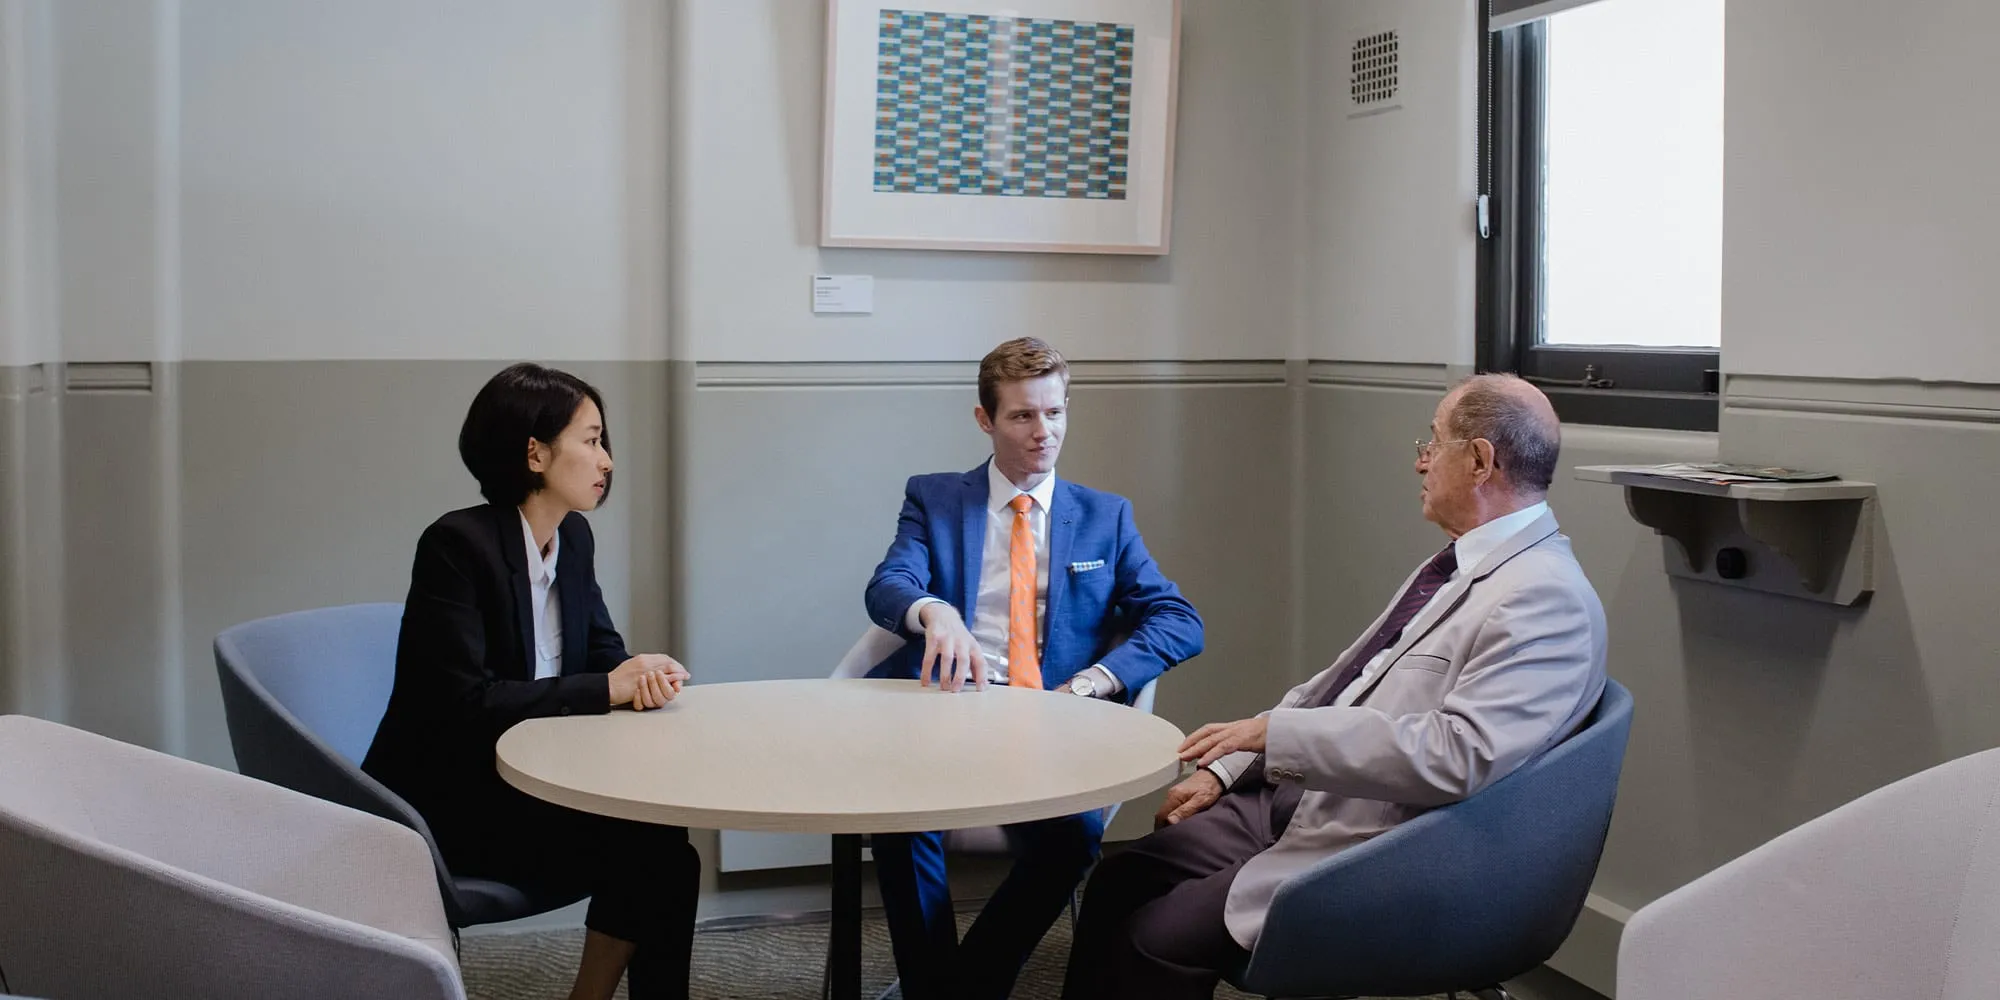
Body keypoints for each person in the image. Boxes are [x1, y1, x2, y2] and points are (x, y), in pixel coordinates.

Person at [1063, 373, 1608, 1000]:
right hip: (1304, 803)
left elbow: (1458, 755)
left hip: (1383, 848)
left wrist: (1273, 735)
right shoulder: (1462, 564)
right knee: (1116, 880)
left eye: (1433, 442)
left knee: (1152, 939)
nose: (1420, 462)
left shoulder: (1546, 598)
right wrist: (1231, 766)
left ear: (1480, 460)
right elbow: (1335, 687)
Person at [861, 337, 1206, 1000]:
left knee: (1074, 840)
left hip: (1051, 727)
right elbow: (890, 583)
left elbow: (1178, 620)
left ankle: (959, 987)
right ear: (985, 420)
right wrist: (934, 611)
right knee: (901, 823)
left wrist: (1094, 682)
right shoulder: (935, 499)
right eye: (1022, 416)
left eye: (1055, 413)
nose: (1043, 432)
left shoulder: (1105, 517)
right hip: (942, 712)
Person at [362, 363, 699, 1000]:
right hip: (449, 802)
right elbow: (463, 706)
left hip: (528, 784)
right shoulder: (456, 545)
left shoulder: (574, 539)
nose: (606, 459)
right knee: (655, 848)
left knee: (663, 844)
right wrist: (607, 689)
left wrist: (642, 674)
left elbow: (602, 652)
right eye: (592, 439)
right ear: (536, 453)